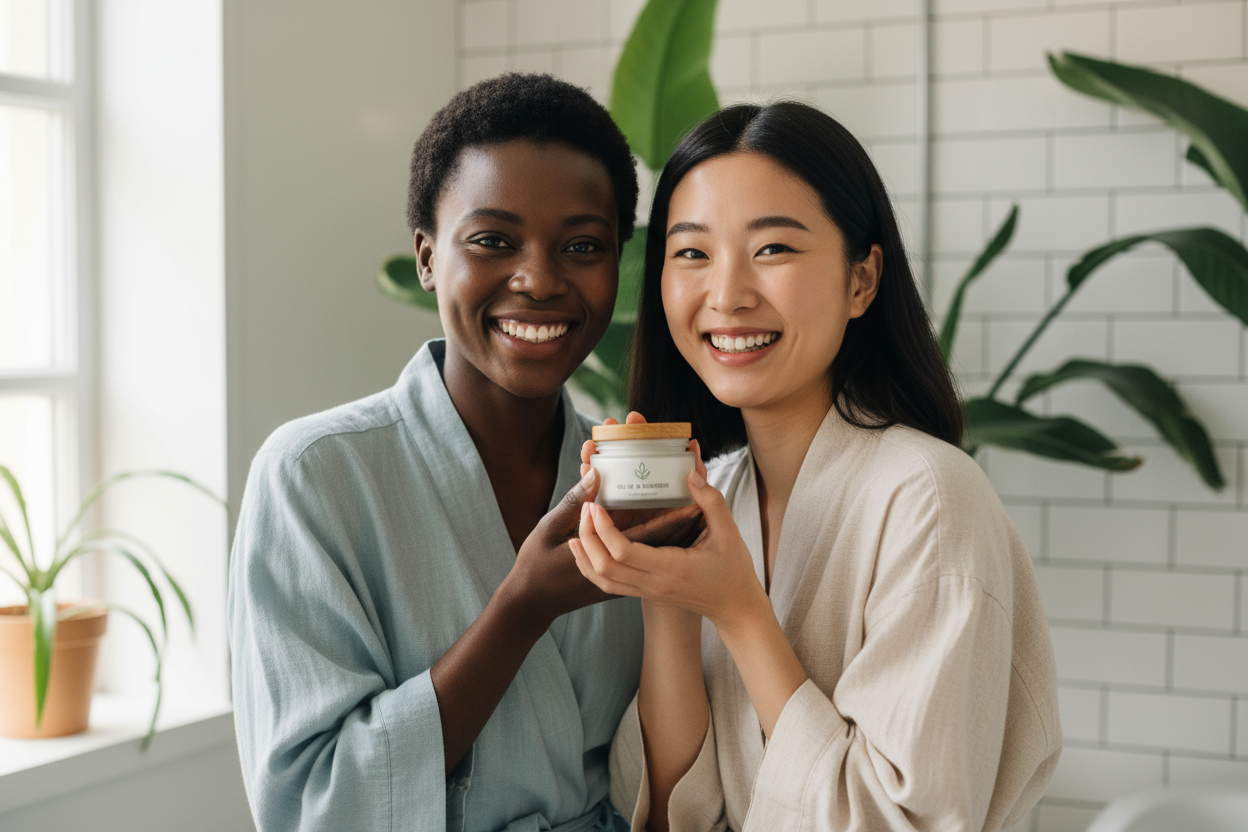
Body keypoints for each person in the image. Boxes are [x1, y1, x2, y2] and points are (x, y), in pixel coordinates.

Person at [228, 73, 701, 832]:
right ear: (425, 257)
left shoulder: (638, 485)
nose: (539, 279)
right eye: (493, 241)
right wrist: (520, 610)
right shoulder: (314, 476)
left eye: (583, 245)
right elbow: (312, 805)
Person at [571, 101, 1061, 832]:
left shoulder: (927, 496)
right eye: (692, 253)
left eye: (772, 249)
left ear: (861, 281)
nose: (728, 294)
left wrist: (740, 612)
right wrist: (666, 590)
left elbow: (898, 821)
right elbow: (672, 813)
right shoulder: (719, 493)